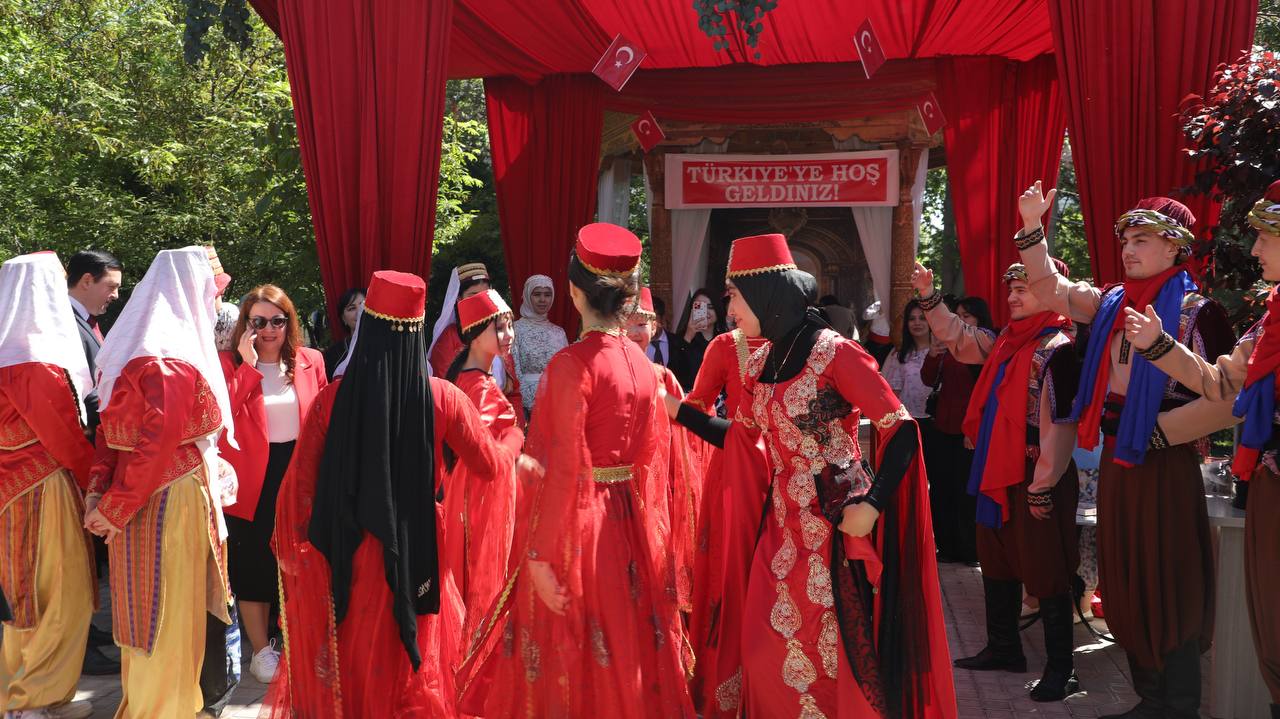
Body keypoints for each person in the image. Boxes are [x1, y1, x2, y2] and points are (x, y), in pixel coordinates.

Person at [668, 233, 956, 718]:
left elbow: (901, 428)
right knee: (761, 652)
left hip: (835, 529)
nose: (729, 309)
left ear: (764, 292)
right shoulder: (762, 362)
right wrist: (676, 410)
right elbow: (741, 438)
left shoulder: (835, 353)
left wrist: (873, 504)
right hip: (779, 528)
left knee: (833, 661)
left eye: (735, 296)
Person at [1014, 181, 1236, 718]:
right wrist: (1032, 227)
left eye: (1142, 240)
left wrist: (1160, 432)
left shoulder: (1198, 311)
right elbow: (1050, 288)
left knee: (1168, 575)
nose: (1128, 250)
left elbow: (1230, 401)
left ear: (1175, 246)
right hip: (1118, 456)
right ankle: (1149, 697)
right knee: (1125, 574)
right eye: (1125, 241)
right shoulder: (1111, 303)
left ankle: (1178, 703)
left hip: (1164, 461)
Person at [457, 223, 695, 718]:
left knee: (574, 662)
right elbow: (653, 457)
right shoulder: (643, 365)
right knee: (627, 656)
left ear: (572, 291)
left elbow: (562, 467)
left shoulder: (572, 364)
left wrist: (540, 555)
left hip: (581, 532)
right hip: (632, 525)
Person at [263, 270, 510, 718]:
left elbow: (298, 489)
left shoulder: (332, 400)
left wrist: (298, 558)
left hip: (348, 553)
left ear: (368, 331)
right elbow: (491, 467)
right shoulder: (444, 398)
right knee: (414, 669)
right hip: (420, 552)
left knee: (355, 664)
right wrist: (515, 443)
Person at [1120, 179, 1280, 717]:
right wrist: (1159, 345)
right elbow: (1220, 384)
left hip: (1231, 468)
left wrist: (1164, 430)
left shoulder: (1214, 311)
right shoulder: (1270, 321)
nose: (1254, 249)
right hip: (1268, 480)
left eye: (1265, 237)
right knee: (1273, 629)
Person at [913, 260, 1084, 702]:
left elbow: (1061, 427)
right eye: (1011, 289)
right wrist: (929, 296)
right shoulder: (1007, 340)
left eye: (1023, 289)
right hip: (997, 467)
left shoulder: (1059, 348)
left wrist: (1043, 483)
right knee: (996, 556)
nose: (1011, 297)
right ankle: (1005, 648)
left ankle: (1062, 668)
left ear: (1049, 290)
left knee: (1046, 564)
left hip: (1037, 472)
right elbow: (959, 338)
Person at [83, 246, 236, 718]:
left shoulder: (132, 348)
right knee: (165, 611)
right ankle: (162, 708)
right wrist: (113, 507)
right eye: (212, 293)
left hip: (138, 496)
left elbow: (109, 434)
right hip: (166, 498)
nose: (214, 304)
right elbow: (158, 444)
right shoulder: (170, 359)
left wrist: (101, 494)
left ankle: (158, 704)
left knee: (143, 609)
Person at [0, 252, 97, 719]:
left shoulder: (9, 355)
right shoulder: (34, 363)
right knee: (59, 594)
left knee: (22, 594)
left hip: (14, 490)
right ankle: (30, 699)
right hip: (42, 488)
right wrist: (97, 482)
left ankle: (35, 694)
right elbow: (65, 437)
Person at [217, 284, 328, 684]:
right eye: (259, 321)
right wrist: (247, 367)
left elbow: (321, 418)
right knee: (253, 561)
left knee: (302, 557)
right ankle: (261, 649)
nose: (268, 330)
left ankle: (298, 638)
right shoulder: (227, 363)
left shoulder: (310, 360)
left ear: (289, 323)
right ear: (245, 324)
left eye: (277, 321)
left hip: (298, 470)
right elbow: (222, 419)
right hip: (251, 478)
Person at [679, 303, 769, 717]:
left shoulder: (805, 343)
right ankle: (726, 684)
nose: (730, 307)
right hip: (733, 472)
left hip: (788, 476)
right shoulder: (724, 347)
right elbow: (697, 407)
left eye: (736, 294)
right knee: (730, 572)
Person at [442, 289, 524, 642]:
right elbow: (487, 451)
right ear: (475, 334)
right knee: (481, 572)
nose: (508, 335)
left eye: (509, 326)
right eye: (499, 328)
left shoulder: (467, 378)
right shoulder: (480, 386)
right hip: (481, 491)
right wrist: (517, 438)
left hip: (467, 487)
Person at [624, 287, 702, 615]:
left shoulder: (664, 378)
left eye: (642, 324)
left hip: (661, 485)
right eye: (627, 323)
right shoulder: (611, 375)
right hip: (622, 484)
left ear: (654, 328)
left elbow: (685, 433)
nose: (634, 332)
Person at [66, 248, 125, 676]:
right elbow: (79, 388)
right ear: (86, 280)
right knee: (70, 551)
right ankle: (79, 643)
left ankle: (86, 629)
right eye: (111, 286)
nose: (115, 295)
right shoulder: (65, 325)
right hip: (75, 450)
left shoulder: (84, 323)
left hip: (91, 446)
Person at [918, 296, 994, 566]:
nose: (961, 320)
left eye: (967, 316)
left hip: (970, 430)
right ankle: (947, 547)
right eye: (957, 315)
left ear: (980, 319)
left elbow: (987, 394)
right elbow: (928, 379)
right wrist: (933, 354)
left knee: (966, 491)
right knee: (941, 487)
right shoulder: (948, 344)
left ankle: (970, 550)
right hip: (942, 426)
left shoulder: (985, 345)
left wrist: (974, 429)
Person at [510, 275, 568, 416]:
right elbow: (514, 370)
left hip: (557, 403)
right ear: (527, 295)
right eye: (537, 294)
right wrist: (531, 404)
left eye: (547, 295)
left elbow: (566, 371)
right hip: (525, 406)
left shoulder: (559, 332)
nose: (543, 300)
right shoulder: (515, 330)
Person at [428, 262, 492, 378]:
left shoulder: (500, 329)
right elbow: (443, 381)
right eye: (473, 295)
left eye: (485, 294)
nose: (480, 301)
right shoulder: (450, 337)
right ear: (459, 299)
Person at [881, 300, 934, 420]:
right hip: (907, 419)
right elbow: (894, 391)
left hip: (935, 418)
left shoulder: (942, 351)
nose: (917, 323)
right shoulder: (901, 354)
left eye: (922, 318)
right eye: (912, 319)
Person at [671, 288, 727, 389]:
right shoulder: (680, 338)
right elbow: (675, 373)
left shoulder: (725, 339)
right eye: (700, 307)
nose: (705, 312)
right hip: (690, 395)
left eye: (710, 307)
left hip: (719, 397)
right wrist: (688, 336)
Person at [322, 287, 365, 380]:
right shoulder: (333, 354)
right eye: (352, 308)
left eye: (363, 305)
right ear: (343, 319)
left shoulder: (385, 346)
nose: (359, 312)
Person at [647, 294, 674, 368]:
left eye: (653, 318)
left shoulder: (676, 342)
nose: (650, 323)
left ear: (662, 318)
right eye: (646, 319)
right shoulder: (637, 344)